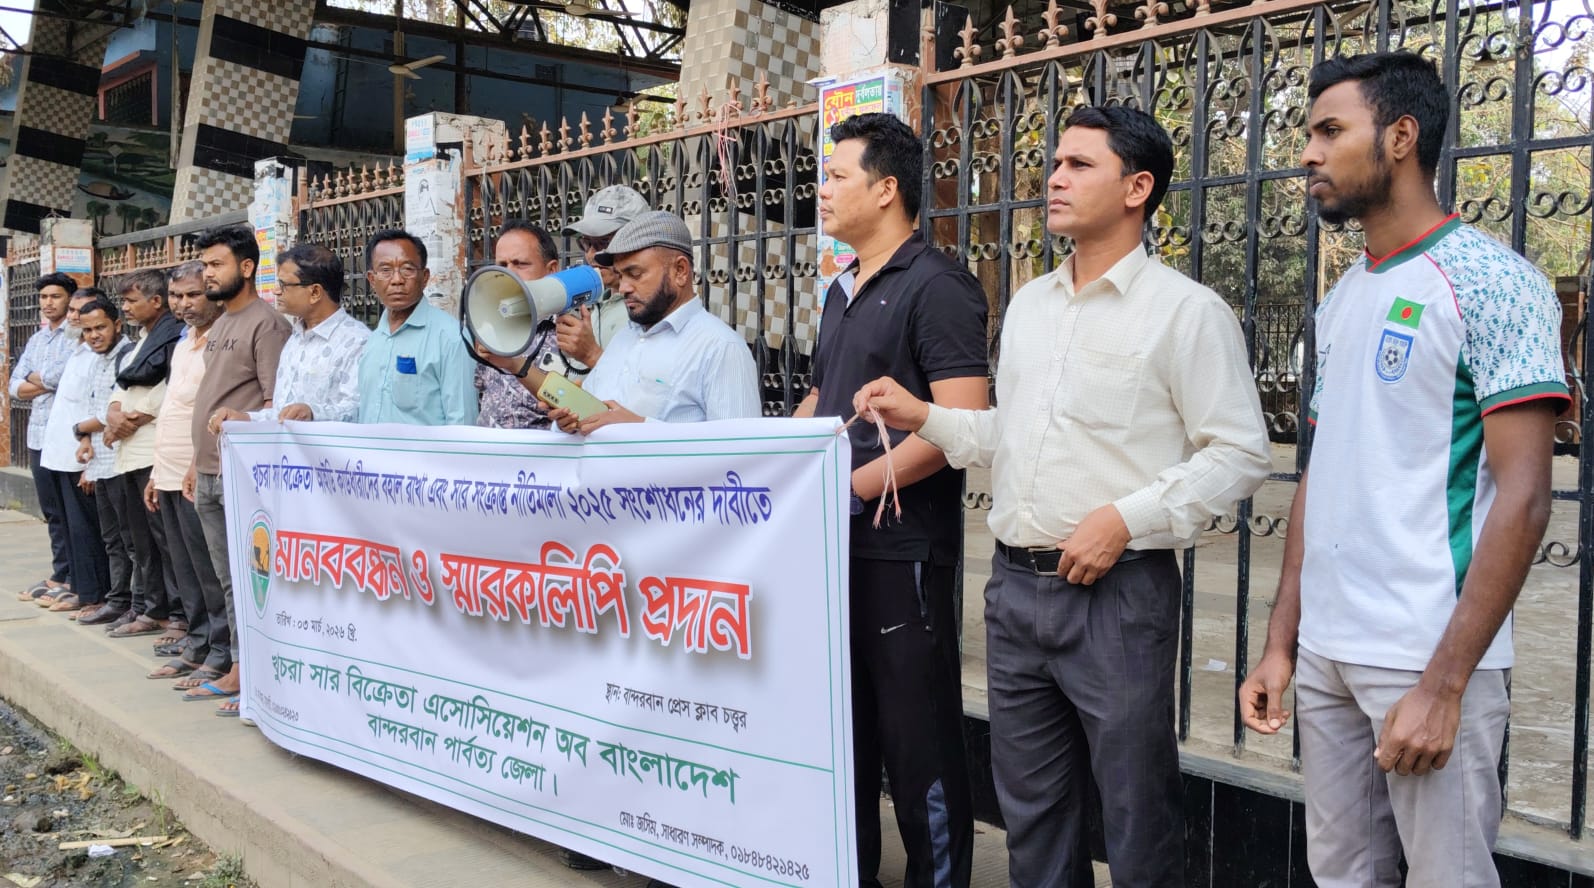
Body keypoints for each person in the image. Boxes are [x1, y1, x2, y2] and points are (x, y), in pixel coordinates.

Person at [855, 105, 1271, 887]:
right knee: (1033, 818)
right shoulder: (1033, 305)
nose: (1054, 178)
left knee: (1136, 816)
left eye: (1080, 165)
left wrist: (1125, 519)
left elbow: (1241, 453)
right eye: (1054, 163)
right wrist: (926, 417)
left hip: (1117, 597)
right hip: (1015, 592)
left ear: (1137, 188)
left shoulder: (1185, 313)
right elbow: (1011, 434)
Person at [1237, 51, 1568, 888]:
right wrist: (1282, 643)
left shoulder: (1494, 283)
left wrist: (1445, 687)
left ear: (1401, 137)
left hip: (1425, 654)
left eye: (1330, 131)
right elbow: (1321, 476)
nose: (1307, 153)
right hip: (1327, 654)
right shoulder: (1345, 295)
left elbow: (1526, 498)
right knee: (1342, 874)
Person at [795, 111, 987, 888]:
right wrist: (778, 467)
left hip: (902, 552)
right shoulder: (840, 290)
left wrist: (846, 489)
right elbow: (820, 400)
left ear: (886, 190)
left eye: (837, 175)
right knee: (846, 735)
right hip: (833, 544)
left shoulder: (937, 286)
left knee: (918, 745)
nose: (822, 189)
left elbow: (958, 425)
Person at [189, 224, 292, 714]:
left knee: (250, 577)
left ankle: (249, 671)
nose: (207, 274)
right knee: (223, 576)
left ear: (247, 267)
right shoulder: (222, 321)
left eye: (216, 264)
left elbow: (275, 404)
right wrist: (196, 462)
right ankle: (237, 664)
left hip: (243, 474)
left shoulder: (266, 324)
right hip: (209, 469)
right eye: (205, 265)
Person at [548, 210, 760, 436]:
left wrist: (640, 429)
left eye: (635, 274)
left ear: (680, 271)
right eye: (621, 275)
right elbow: (597, 423)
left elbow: (741, 448)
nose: (624, 288)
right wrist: (569, 424)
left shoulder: (721, 348)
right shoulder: (624, 339)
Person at [145, 263, 231, 681]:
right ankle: (197, 644)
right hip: (168, 470)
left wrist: (197, 463)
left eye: (193, 294)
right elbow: (172, 409)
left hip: (200, 473)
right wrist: (155, 472)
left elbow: (213, 410)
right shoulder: (183, 343)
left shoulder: (223, 342)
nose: (184, 304)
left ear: (212, 292)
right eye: (176, 296)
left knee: (210, 570)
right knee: (185, 569)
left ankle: (221, 652)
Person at [87, 271, 184, 637]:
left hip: (152, 450)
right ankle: (151, 608)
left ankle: (176, 615)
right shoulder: (141, 341)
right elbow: (121, 386)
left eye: (130, 301)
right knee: (139, 540)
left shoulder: (174, 337)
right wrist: (114, 415)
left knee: (164, 540)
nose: (125, 308)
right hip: (128, 451)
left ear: (155, 301)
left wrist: (133, 418)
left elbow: (170, 389)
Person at [37, 291, 129, 621]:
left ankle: (104, 597)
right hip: (80, 453)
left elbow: (113, 410)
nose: (76, 319)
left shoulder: (120, 355)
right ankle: (85, 591)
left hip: (108, 460)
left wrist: (83, 433)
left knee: (111, 537)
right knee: (80, 530)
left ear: (115, 324)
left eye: (94, 324)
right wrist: (85, 437)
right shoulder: (81, 351)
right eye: (76, 314)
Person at [210, 243, 369, 427]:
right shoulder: (296, 338)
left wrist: (312, 413)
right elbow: (281, 414)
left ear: (315, 292)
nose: (276, 291)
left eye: (283, 285)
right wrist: (244, 418)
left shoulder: (357, 341)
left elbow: (359, 411)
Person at [9, 272, 82, 604]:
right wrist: (43, 382)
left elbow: (62, 378)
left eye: (55, 296)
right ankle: (60, 572)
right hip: (38, 434)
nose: (48, 303)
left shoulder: (77, 336)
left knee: (73, 512)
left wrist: (35, 379)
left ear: (69, 299)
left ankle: (77, 578)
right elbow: (14, 386)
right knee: (52, 511)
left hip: (68, 437)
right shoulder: (37, 339)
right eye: (44, 297)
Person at [355, 229, 476, 426]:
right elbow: (363, 409)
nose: (397, 280)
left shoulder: (451, 337)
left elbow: (462, 422)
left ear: (425, 277)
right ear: (371, 280)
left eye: (407, 269)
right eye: (385, 270)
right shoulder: (373, 341)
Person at [472, 220, 572, 430]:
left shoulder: (571, 332)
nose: (509, 274)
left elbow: (575, 406)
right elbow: (482, 391)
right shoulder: (490, 324)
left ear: (551, 269)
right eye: (502, 266)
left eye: (520, 264)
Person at [558, 184, 650, 370]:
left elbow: (642, 384)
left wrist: (591, 354)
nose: (591, 255)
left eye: (604, 243)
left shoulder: (651, 308)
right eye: (587, 243)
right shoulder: (596, 302)